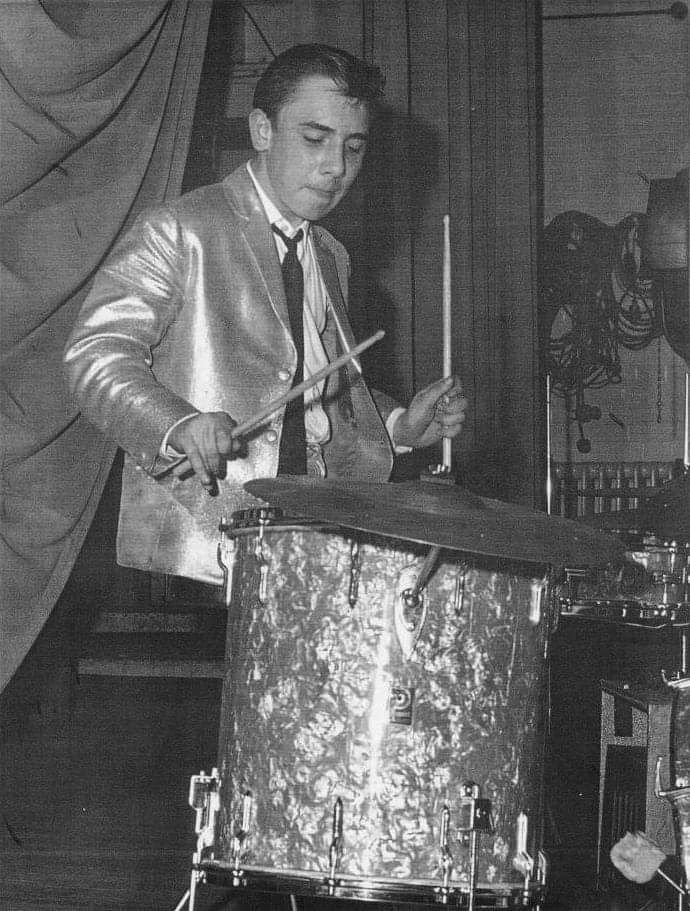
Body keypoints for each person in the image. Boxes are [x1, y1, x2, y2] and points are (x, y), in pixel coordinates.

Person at [64, 43, 467, 584]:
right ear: (261, 131)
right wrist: (178, 424)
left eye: (353, 147)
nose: (336, 168)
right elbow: (95, 354)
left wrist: (399, 425)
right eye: (314, 139)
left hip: (316, 530)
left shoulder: (330, 253)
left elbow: (317, 380)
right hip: (208, 541)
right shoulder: (180, 229)